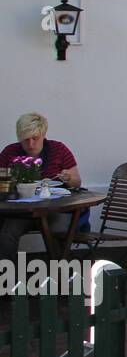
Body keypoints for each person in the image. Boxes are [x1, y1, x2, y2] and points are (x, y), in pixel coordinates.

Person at [0, 113, 84, 264]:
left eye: (35, 138)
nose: (31, 144)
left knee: (59, 234)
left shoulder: (59, 149)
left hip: (55, 210)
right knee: (7, 234)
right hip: (22, 212)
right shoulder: (10, 152)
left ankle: (59, 277)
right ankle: (7, 280)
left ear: (43, 135)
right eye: (26, 139)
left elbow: (77, 182)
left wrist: (69, 178)